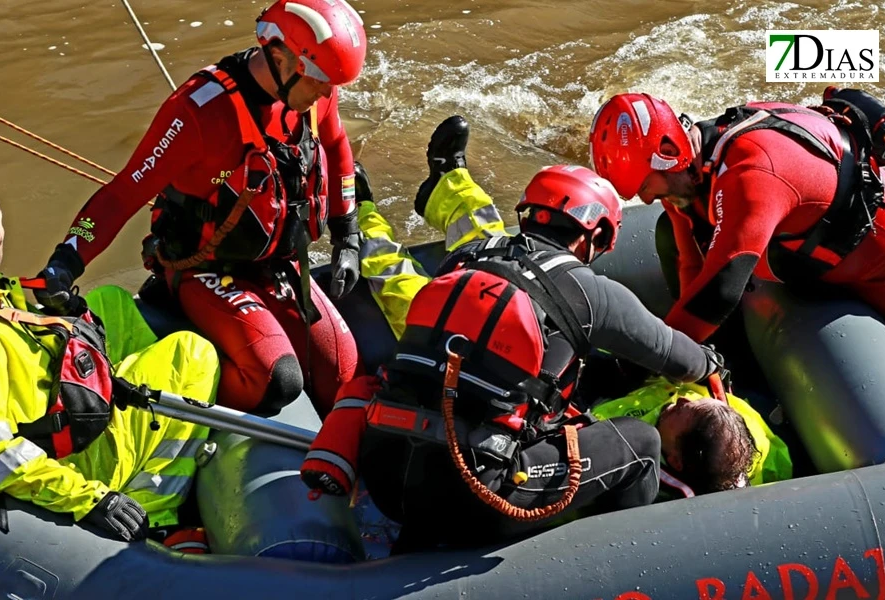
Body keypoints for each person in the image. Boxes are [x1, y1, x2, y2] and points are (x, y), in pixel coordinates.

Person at [301, 117, 731, 550]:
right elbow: (680, 357)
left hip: (386, 472)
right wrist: (711, 362)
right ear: (594, 234)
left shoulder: (469, 256)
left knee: (412, 295)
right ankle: (622, 562)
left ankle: (369, 209)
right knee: (640, 444)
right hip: (473, 493)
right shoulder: (591, 292)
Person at [32, 0, 368, 418]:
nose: (326, 92)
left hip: (274, 264)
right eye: (320, 79)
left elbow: (336, 147)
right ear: (280, 57)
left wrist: (347, 234)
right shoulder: (198, 112)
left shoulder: (314, 94)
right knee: (277, 382)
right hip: (202, 267)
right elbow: (124, 193)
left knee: (342, 373)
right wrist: (66, 260)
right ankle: (165, 365)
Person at [0, 183, 220, 549]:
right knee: (193, 353)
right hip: (69, 451)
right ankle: (158, 513)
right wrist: (90, 500)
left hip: (39, 390)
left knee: (112, 302)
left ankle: (125, 390)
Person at [588, 87, 885, 343]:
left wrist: (667, 358)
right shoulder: (685, 170)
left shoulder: (750, 172)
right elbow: (691, 265)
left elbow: (720, 290)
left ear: (669, 152)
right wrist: (698, 354)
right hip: (807, 260)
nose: (645, 199)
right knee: (667, 232)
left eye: (644, 185)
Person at [590, 376, 791, 496]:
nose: (682, 400)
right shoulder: (769, 459)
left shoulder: (620, 448)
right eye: (697, 402)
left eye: (678, 412)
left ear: (675, 460)